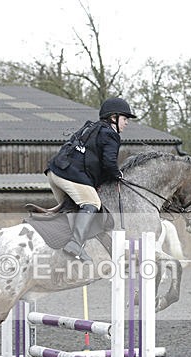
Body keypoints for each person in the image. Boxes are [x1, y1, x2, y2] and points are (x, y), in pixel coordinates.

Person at [45, 97, 137, 261]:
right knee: (93, 204)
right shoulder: (110, 134)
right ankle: (74, 245)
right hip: (69, 175)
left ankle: (61, 247)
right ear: (113, 118)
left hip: (55, 173)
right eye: (124, 118)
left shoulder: (91, 128)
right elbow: (109, 163)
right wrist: (118, 175)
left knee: (74, 210)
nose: (127, 123)